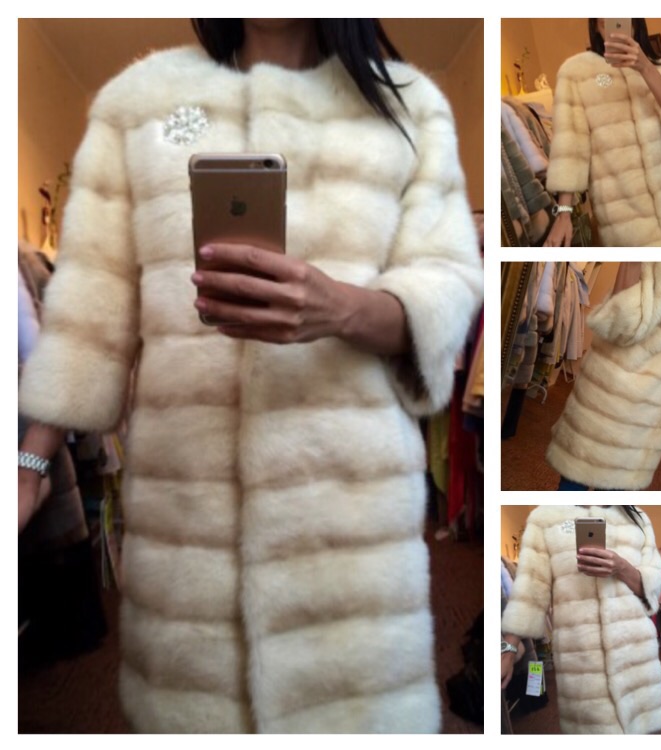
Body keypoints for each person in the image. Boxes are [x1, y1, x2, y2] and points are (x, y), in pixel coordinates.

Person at [18, 19, 483, 733]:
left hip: (349, 523)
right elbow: (89, 308)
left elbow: (447, 286)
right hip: (189, 527)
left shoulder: (408, 106)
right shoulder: (138, 103)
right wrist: (28, 466)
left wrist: (341, 307)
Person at [546, 262, 661, 490]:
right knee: (611, 502)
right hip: (649, 419)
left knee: (572, 493)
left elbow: (620, 325)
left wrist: (631, 259)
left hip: (612, 403)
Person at [501, 505, 661, 734]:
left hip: (636, 656)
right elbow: (530, 590)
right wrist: (509, 649)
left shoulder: (637, 518)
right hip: (582, 660)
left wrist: (622, 567)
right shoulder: (545, 519)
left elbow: (654, 586)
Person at [543, 19, 661, 247]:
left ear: (635, 24)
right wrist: (564, 213)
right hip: (626, 217)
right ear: (596, 26)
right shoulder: (576, 73)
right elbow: (570, 147)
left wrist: (645, 67)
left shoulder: (658, 67)